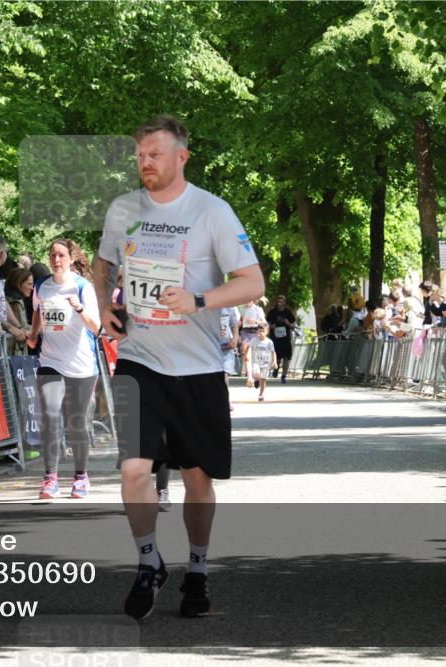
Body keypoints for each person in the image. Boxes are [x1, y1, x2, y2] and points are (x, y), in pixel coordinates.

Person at [93, 115, 264, 619]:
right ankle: (148, 562)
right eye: (141, 154)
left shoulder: (212, 211)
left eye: (156, 154)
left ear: (182, 157)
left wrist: (199, 298)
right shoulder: (123, 208)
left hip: (197, 367)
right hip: (138, 360)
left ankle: (198, 569)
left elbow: (252, 282)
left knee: (197, 479)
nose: (146, 162)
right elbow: (104, 265)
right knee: (132, 469)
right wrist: (104, 304)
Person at [27, 238, 100, 499]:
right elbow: (37, 311)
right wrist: (34, 335)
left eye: (60, 256)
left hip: (80, 364)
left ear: (70, 258)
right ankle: (50, 479)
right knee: (49, 416)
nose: (56, 260)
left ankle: (81, 477)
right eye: (52, 256)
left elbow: (96, 327)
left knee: (77, 423)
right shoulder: (41, 286)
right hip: (51, 361)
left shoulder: (82, 287)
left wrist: (78, 308)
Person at [265, 295, 296, 382]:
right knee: (277, 358)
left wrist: (288, 323)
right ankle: (276, 368)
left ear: (284, 303)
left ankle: (283, 376)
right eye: (278, 302)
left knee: (286, 357)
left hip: (286, 339)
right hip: (275, 339)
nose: (279, 303)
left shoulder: (288, 312)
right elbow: (265, 324)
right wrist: (271, 326)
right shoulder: (272, 312)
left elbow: (293, 326)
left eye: (281, 302)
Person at [4, 267, 33, 356]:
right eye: (29, 284)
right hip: (15, 351)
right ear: (19, 284)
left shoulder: (11, 299)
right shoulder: (15, 302)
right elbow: (23, 327)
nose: (32, 288)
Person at [249, 324, 278, 402]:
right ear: (257, 331)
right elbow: (249, 349)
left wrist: (274, 361)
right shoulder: (254, 340)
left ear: (267, 332)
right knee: (256, 374)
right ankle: (256, 380)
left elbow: (273, 352)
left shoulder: (269, 342)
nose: (261, 333)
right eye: (259, 331)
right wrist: (247, 356)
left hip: (266, 363)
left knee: (263, 380)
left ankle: (261, 394)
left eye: (263, 331)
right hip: (256, 362)